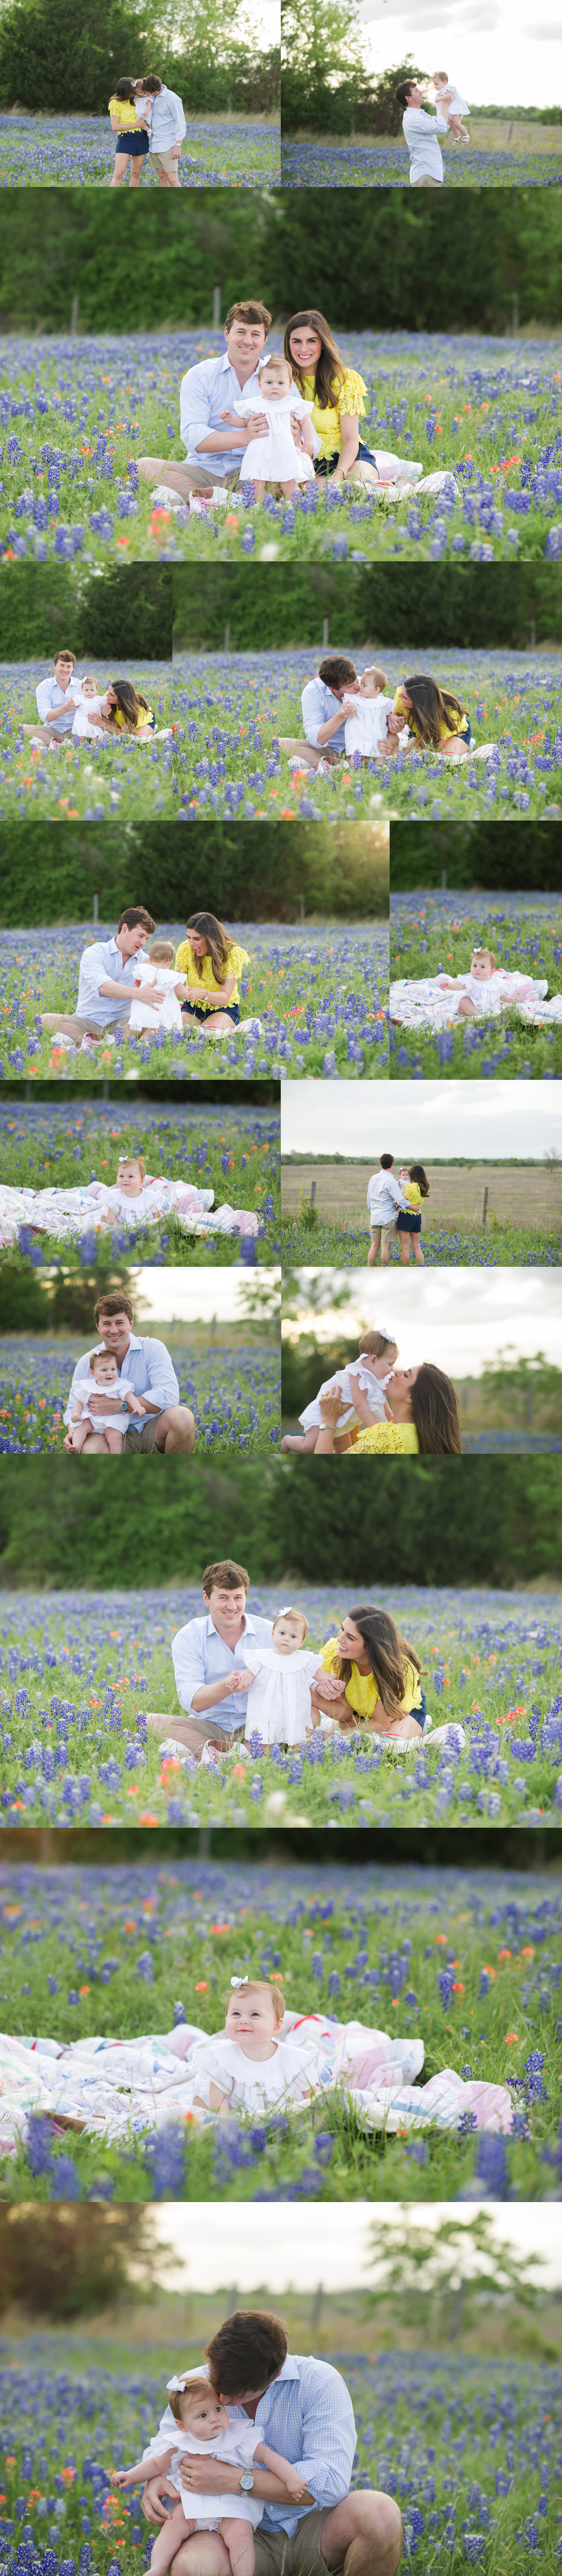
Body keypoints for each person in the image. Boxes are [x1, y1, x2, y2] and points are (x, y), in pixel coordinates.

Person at [139, 2306, 402, 2576]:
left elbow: (331, 2481)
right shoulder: (195, 2385)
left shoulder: (320, 2382)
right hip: (228, 2526)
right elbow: (161, 2447)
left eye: (234, 2396)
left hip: (315, 2528)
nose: (222, 2401)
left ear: (273, 2377)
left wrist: (235, 2479)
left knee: (381, 2514)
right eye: (219, 2387)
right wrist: (154, 2477)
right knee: (193, 2566)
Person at [111, 2370, 307, 2576]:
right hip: (192, 2504)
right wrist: (131, 2476)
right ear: (182, 2426)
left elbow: (270, 2458)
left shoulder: (239, 2437)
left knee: (241, 2536)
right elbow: (156, 2465)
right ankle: (158, 2568)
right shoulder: (181, 2442)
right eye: (203, 2415)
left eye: (218, 2409)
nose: (215, 2419)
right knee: (172, 2526)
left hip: (233, 2506)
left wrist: (291, 2478)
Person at [137, 303, 317, 509]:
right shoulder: (200, 375)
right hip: (205, 470)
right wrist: (245, 437)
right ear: (227, 334)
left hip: (258, 471)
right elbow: (192, 436)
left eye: (256, 334)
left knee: (288, 479)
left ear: (265, 340)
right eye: (241, 332)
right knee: (143, 467)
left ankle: (210, 500)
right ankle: (230, 501)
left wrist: (300, 441)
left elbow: (312, 438)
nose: (248, 341)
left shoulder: (279, 379)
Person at [145, 1560, 273, 1760]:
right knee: (149, 1722)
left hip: (258, 1724)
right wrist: (228, 1686)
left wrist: (322, 1686)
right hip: (210, 1726)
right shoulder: (189, 1636)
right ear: (207, 1598)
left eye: (238, 1597)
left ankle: (217, 1754)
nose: (232, 1606)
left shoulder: (270, 1632)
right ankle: (243, 1756)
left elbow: (297, 1674)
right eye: (223, 1597)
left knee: (299, 1717)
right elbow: (192, 1700)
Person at [62, 1290, 195, 1456]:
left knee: (183, 1417)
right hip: (105, 1433)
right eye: (107, 1324)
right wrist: (74, 1431)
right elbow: (71, 1408)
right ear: (98, 1326)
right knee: (89, 1449)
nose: (114, 1330)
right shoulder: (87, 1362)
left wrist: (120, 1407)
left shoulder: (153, 1349)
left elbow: (169, 1396)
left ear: (131, 1323)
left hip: (151, 1430)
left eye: (120, 1323)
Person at [190, 1980, 321, 2117]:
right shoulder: (224, 2061)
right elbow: (219, 2109)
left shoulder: (292, 2059)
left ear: (276, 2026)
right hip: (239, 2119)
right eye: (236, 2014)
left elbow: (314, 2096)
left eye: (255, 2015)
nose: (243, 2021)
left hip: (283, 2117)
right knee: (202, 2103)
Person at [40, 904, 162, 1050]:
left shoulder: (146, 962)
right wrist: (139, 993)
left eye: (147, 939)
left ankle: (88, 1043)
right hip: (87, 1020)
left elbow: (160, 994)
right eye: (141, 936)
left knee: (145, 1021)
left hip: (122, 1023)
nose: (143, 943)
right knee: (44, 1020)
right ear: (125, 929)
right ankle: (108, 1044)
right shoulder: (95, 953)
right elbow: (103, 987)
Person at [284, 311, 380, 487]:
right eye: (297, 341)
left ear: (323, 344)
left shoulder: (345, 379)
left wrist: (339, 475)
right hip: (307, 461)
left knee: (355, 487)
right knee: (294, 492)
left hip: (348, 458)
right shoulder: (283, 382)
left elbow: (351, 439)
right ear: (288, 344)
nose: (304, 349)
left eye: (312, 341)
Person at [309, 1605, 426, 1743]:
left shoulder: (397, 1669)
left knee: (386, 1742)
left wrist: (334, 1737)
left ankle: (415, 1726)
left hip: (398, 1713)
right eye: (342, 1629)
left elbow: (380, 1724)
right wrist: (319, 1688)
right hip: (358, 1712)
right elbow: (345, 1714)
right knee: (348, 1740)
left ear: (371, 1647)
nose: (340, 1639)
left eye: (351, 1638)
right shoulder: (335, 1654)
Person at [281, 1330, 398, 1456]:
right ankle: (287, 1441)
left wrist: (390, 1416)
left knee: (344, 1450)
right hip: (324, 1415)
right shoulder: (359, 1376)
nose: (392, 1369)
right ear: (373, 1360)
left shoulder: (377, 1380)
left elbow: (380, 1399)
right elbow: (360, 1406)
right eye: (390, 1364)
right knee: (309, 1449)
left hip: (342, 1421)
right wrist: (376, 1429)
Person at [313, 1363, 462, 1455]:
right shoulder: (419, 1436)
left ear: (412, 1397)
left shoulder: (387, 1435)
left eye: (406, 1375)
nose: (397, 1372)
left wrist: (329, 1419)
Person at [228, 356, 315, 499]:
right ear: (260, 385)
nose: (275, 387)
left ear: (289, 386)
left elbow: (305, 422)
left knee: (289, 482)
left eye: (281, 383)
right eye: (269, 382)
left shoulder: (293, 404)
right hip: (260, 451)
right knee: (257, 482)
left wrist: (309, 441)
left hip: (285, 451)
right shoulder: (256, 404)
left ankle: (293, 506)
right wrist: (231, 419)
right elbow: (244, 421)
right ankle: (259, 507)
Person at [241, 1609, 326, 1746]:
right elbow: (250, 1673)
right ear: (273, 1634)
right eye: (282, 1634)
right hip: (267, 1706)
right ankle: (262, 1752)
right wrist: (243, 1677)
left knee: (299, 1736)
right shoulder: (262, 1657)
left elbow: (321, 1675)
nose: (286, 1638)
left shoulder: (304, 1659)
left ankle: (298, 1752)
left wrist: (332, 1680)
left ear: (302, 1642)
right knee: (264, 1737)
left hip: (295, 1706)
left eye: (293, 1637)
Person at [279, 654, 360, 777]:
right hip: (327, 749)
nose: (358, 686)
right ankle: (341, 766)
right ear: (332, 689)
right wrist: (341, 715)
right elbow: (316, 740)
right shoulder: (313, 692)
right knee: (279, 744)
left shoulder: (366, 685)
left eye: (356, 680)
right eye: (350, 687)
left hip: (358, 748)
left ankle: (331, 766)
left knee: (386, 744)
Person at [174, 915, 250, 1037]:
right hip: (194, 1006)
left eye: (197, 939)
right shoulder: (185, 949)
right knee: (176, 1032)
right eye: (189, 937)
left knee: (202, 1036)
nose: (191, 943)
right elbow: (176, 987)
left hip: (224, 1009)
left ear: (211, 938)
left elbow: (225, 998)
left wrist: (203, 993)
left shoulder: (232, 953)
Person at [67, 1349, 145, 1455]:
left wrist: (138, 1407)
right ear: (93, 1373)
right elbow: (79, 1402)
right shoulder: (88, 1386)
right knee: (82, 1427)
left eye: (113, 1369)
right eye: (104, 1370)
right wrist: (76, 1414)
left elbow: (130, 1397)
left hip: (113, 1421)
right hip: (92, 1419)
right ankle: (77, 1446)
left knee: (115, 1437)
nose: (110, 1373)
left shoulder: (119, 1386)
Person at [393, 678, 471, 759]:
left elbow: (433, 750)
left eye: (405, 697)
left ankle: (463, 744)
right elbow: (393, 716)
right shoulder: (403, 695)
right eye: (402, 691)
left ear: (419, 704)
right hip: (420, 730)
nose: (400, 696)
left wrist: (396, 750)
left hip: (453, 730)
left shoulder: (448, 714)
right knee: (409, 757)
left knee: (441, 758)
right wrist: (392, 718)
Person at [22, 648, 82, 747]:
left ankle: (55, 745)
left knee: (91, 729)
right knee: (24, 729)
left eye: (69, 667)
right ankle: (68, 745)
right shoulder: (44, 686)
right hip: (52, 730)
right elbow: (46, 717)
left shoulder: (81, 685)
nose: (65, 670)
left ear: (72, 669)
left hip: (75, 730)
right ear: (55, 666)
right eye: (62, 665)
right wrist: (66, 708)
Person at [395, 79, 448, 186]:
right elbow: (441, 128)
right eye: (416, 91)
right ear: (408, 98)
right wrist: (445, 103)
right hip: (426, 174)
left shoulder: (421, 115)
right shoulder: (413, 119)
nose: (421, 92)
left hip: (429, 174)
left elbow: (444, 124)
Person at [128, 941, 188, 1033]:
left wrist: (148, 963)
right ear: (170, 962)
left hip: (143, 1008)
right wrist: (188, 994)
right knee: (154, 1033)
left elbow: (138, 974)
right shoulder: (170, 976)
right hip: (159, 1011)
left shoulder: (145, 969)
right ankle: (142, 1046)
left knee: (148, 1033)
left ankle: (142, 1044)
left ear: (150, 959)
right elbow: (181, 990)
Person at [140, 71, 187, 187]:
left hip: (168, 145)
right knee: (162, 175)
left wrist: (178, 146)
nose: (144, 94)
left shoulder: (172, 99)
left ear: (155, 91)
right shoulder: (152, 98)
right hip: (155, 144)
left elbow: (181, 123)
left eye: (146, 92)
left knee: (172, 178)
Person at [343, 670, 396, 761]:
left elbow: (390, 714)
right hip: (359, 735)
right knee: (356, 756)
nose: (360, 687)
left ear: (376, 690)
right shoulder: (355, 700)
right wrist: (348, 708)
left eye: (364, 685)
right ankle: (354, 772)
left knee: (380, 754)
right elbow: (347, 708)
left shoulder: (383, 702)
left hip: (377, 736)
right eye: (361, 684)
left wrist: (395, 717)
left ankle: (381, 771)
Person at [366, 1154, 408, 1268]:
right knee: (385, 1247)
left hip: (375, 1217)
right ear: (392, 1164)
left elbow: (369, 1199)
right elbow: (400, 1199)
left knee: (374, 1246)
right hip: (388, 1218)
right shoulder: (391, 1181)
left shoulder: (373, 1178)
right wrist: (411, 1206)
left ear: (381, 1164)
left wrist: (373, 1210)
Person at [109, 76, 150, 187]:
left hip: (142, 138)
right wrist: (136, 125)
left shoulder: (138, 99)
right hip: (126, 139)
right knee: (119, 174)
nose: (135, 89)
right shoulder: (115, 103)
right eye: (132, 88)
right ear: (125, 91)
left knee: (136, 174)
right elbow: (115, 126)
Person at [395, 1165, 428, 1268]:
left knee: (405, 1248)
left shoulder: (411, 1187)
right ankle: (422, 1268)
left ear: (413, 1175)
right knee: (417, 1247)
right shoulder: (425, 1187)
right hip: (417, 1217)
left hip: (406, 1216)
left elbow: (400, 1202)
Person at [432, 70, 470, 145]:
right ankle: (457, 136)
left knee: (457, 124)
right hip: (450, 111)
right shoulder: (441, 91)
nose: (435, 86)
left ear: (444, 83)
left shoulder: (447, 88)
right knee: (451, 124)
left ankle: (466, 135)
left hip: (455, 110)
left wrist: (441, 98)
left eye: (437, 84)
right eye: (434, 84)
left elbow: (449, 95)